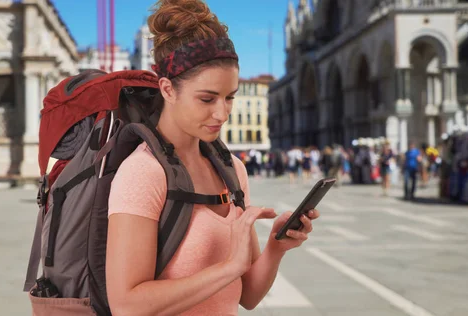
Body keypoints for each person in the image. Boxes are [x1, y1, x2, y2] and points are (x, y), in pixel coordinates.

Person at [104, 1, 320, 315]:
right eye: (207, 98)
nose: (222, 113)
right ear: (167, 89)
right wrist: (228, 267)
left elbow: (247, 295)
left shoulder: (232, 170)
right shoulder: (143, 172)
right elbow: (127, 305)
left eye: (229, 97)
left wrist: (276, 246)